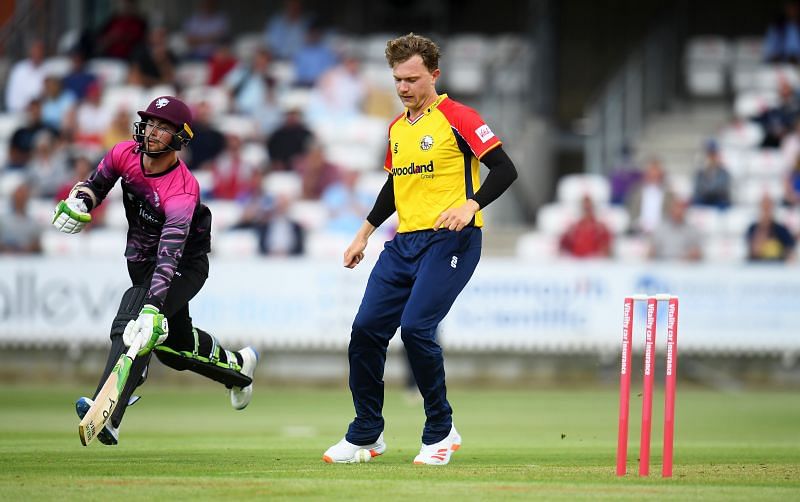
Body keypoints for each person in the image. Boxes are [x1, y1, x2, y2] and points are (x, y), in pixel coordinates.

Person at [321, 33, 517, 466]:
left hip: (452, 239)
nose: (404, 87)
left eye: (412, 79)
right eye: (397, 80)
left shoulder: (459, 117)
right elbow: (395, 186)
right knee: (366, 331)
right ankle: (366, 434)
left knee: (416, 330)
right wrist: (364, 233)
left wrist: (472, 204)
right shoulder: (396, 128)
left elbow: (506, 170)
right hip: (403, 242)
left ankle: (441, 430)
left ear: (434, 74)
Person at [51, 95, 259, 445]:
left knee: (135, 317)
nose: (151, 131)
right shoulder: (123, 154)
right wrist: (80, 201)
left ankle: (109, 413)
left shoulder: (182, 190)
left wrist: (151, 306)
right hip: (141, 260)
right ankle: (239, 368)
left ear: (181, 137)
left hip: (182, 265)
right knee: (174, 347)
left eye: (163, 127)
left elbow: (170, 253)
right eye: (150, 122)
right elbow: (96, 184)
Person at [746, 195, 796, 262]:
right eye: (764, 208)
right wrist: (763, 229)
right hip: (757, 269)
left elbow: (790, 250)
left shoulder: (781, 230)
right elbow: (754, 251)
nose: (766, 211)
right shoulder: (753, 228)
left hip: (778, 269)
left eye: (768, 207)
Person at [691, 140, 732, 209]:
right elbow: (697, 190)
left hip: (718, 203)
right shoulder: (700, 173)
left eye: (713, 154)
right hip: (704, 202)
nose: (711, 158)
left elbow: (721, 190)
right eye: (709, 154)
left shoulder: (724, 173)